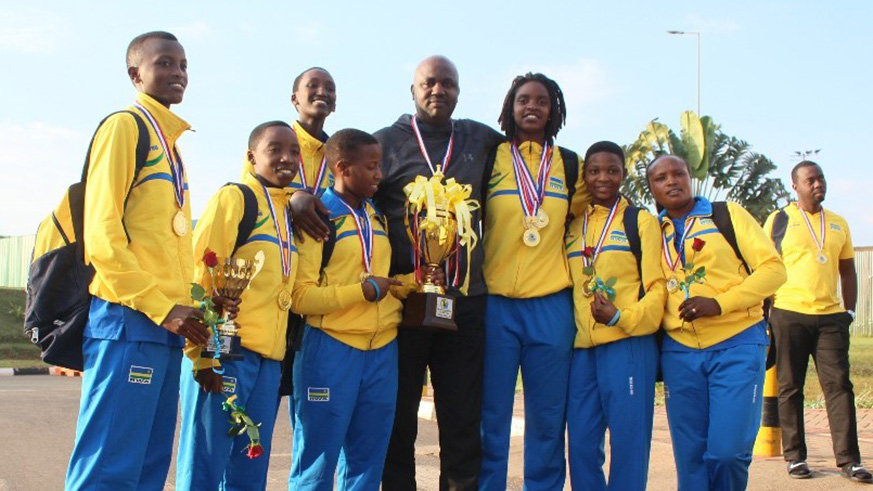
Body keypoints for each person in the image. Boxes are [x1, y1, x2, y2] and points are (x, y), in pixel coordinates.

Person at [65, 31, 211, 490]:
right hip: (128, 320)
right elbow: (102, 236)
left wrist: (189, 314)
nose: (177, 73)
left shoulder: (173, 150)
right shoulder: (124, 127)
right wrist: (162, 306)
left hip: (165, 329)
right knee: (108, 465)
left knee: (148, 467)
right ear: (136, 74)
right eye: (165, 63)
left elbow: (169, 246)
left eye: (183, 65)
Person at [372, 55, 504, 490]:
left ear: (459, 92)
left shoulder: (481, 139)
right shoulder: (384, 144)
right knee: (398, 415)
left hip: (465, 302)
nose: (438, 90)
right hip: (404, 301)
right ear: (412, 91)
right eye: (429, 83)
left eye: (448, 84)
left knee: (462, 416)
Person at [290, 128, 441, 489]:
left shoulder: (377, 216)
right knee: (316, 461)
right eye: (372, 167)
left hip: (382, 351)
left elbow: (380, 278)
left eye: (380, 166)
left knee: (367, 462)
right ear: (343, 168)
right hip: (330, 347)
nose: (379, 175)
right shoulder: (317, 217)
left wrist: (416, 283)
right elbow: (301, 297)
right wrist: (362, 291)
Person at [647, 155, 786, 490]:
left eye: (678, 173)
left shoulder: (726, 215)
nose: (671, 181)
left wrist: (719, 304)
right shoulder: (651, 230)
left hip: (738, 342)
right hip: (679, 352)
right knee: (690, 458)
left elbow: (774, 270)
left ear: (690, 177)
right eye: (661, 177)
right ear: (651, 188)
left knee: (728, 453)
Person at [175, 121, 300, 489]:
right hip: (225, 352)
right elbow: (200, 277)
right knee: (205, 463)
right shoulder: (236, 198)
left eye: (293, 151)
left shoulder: (288, 213)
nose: (286, 158)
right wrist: (201, 354)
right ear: (251, 157)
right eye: (274, 149)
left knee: (250, 467)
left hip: (268, 362)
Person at [479, 73, 586, 490]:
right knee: (492, 414)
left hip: (551, 306)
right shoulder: (491, 158)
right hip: (496, 304)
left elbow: (589, 214)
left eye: (542, 100)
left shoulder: (570, 164)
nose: (533, 107)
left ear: (554, 109)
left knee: (547, 415)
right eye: (524, 99)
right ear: (510, 106)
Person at [565, 142, 665, 491]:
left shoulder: (641, 222)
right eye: (594, 171)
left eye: (611, 170)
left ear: (624, 174)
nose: (602, 178)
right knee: (579, 445)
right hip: (581, 350)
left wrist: (621, 316)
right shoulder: (574, 225)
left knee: (628, 445)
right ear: (585, 176)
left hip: (628, 345)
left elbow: (657, 289)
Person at [764, 161, 871, 483]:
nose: (817, 184)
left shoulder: (838, 223)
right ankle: (795, 457)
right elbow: (765, 266)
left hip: (830, 318)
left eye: (820, 178)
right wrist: (767, 313)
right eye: (810, 180)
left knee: (839, 387)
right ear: (794, 186)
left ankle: (849, 461)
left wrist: (849, 311)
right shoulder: (779, 220)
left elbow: (848, 269)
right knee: (790, 387)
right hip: (789, 313)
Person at [289, 67, 336, 197]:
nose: (322, 92)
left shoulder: (339, 157)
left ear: (334, 105)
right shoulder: (270, 146)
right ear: (294, 99)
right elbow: (255, 194)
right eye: (313, 85)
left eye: (330, 89)